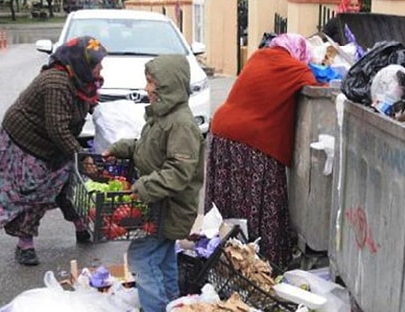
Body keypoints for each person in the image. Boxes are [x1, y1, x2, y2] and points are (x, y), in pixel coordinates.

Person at [0, 36, 107, 266]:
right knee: (33, 191)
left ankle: (81, 228)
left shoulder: (84, 80)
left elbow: (87, 106)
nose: (101, 67)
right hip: (26, 141)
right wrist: (81, 156)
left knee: (70, 182)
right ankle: (24, 245)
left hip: (53, 140)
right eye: (97, 63)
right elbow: (57, 129)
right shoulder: (56, 83)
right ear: (81, 63)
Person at [203, 33, 318, 270]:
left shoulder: (259, 57)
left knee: (227, 204)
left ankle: (221, 259)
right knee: (265, 201)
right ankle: (265, 263)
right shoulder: (292, 67)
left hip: (223, 133)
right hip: (252, 141)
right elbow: (316, 83)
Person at [102, 54, 205, 312]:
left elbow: (179, 171)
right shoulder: (162, 117)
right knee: (163, 259)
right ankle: (173, 304)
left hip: (168, 208)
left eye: (152, 83)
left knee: (143, 257)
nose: (147, 88)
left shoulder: (181, 124)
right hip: (158, 206)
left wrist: (143, 187)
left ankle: (157, 308)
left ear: (168, 87)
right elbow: (148, 151)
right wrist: (124, 148)